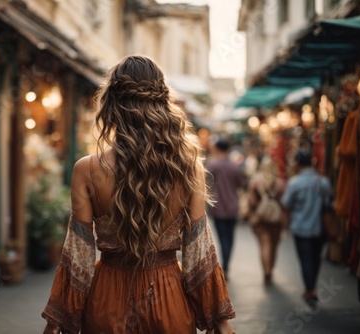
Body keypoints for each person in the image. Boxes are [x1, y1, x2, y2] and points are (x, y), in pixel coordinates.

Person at [41, 55, 236, 334]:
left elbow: (79, 256)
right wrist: (220, 322)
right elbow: (198, 254)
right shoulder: (187, 168)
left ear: (110, 105)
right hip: (168, 301)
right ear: (163, 104)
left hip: (107, 302)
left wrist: (56, 321)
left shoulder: (86, 170)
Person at [281, 148, 331, 308]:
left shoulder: (295, 183)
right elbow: (328, 205)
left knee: (305, 260)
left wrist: (286, 225)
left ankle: (310, 290)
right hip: (320, 228)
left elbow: (286, 203)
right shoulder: (323, 181)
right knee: (316, 259)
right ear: (312, 162)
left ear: (297, 164)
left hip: (301, 228)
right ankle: (312, 287)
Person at [206, 137, 245, 279]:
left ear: (217, 148)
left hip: (219, 208)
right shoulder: (235, 166)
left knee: (223, 239)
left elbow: (207, 186)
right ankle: (227, 265)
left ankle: (226, 267)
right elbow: (240, 184)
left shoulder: (213, 165)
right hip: (233, 207)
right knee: (230, 237)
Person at [247, 156, 285, 285]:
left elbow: (251, 201)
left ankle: (266, 272)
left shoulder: (256, 181)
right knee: (274, 246)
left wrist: (256, 209)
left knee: (264, 245)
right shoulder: (280, 183)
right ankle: (271, 270)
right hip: (276, 220)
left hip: (260, 219)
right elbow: (284, 203)